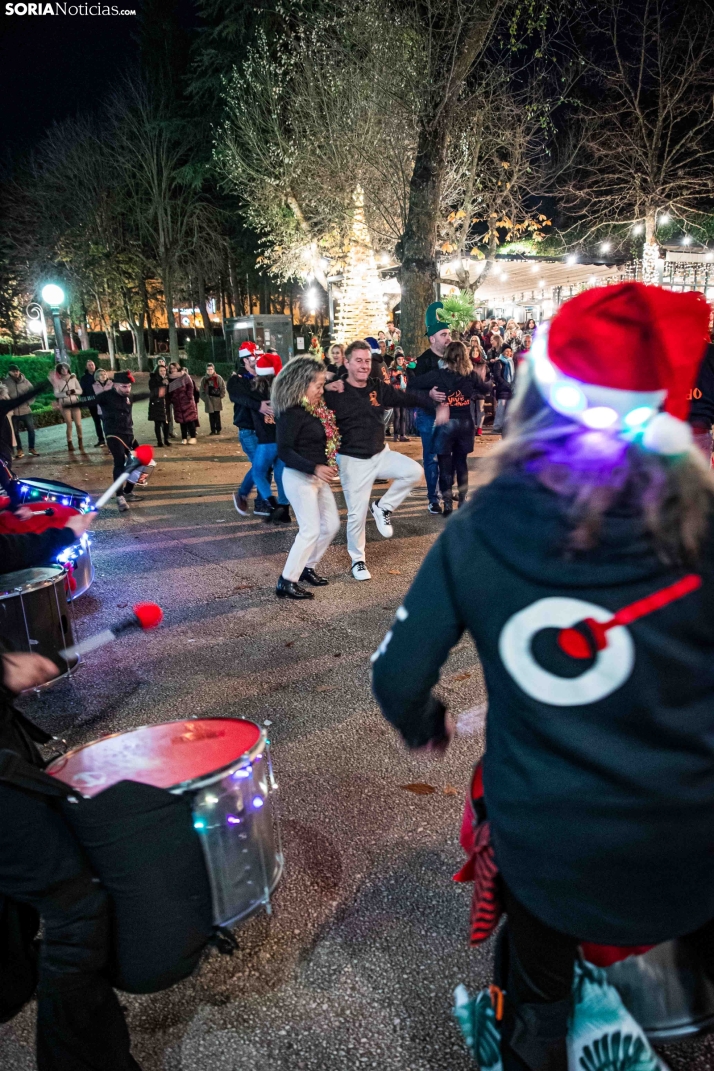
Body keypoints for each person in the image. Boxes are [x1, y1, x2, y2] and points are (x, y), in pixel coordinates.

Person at [372, 281, 714, 1071]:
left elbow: (395, 677)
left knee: (537, 1006)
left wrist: (430, 725)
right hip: (687, 847)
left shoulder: (484, 527)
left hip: (550, 848)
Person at [324, 339, 444, 581]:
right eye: (358, 360)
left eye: (367, 361)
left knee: (413, 472)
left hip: (380, 453)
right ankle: (357, 561)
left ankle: (382, 507)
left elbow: (405, 398)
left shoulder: (377, 387)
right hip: (352, 460)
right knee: (356, 515)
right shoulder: (334, 391)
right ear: (346, 363)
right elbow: (304, 396)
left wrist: (434, 402)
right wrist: (325, 385)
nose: (364, 365)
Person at [272, 358, 341, 599]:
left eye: (323, 385)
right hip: (298, 476)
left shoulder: (316, 407)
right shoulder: (291, 412)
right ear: (302, 385)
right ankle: (286, 581)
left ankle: (306, 567)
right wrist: (315, 467)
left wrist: (333, 386)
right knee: (310, 530)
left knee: (331, 525)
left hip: (316, 476)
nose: (322, 390)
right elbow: (284, 452)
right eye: (318, 386)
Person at [411, 340, 492, 513]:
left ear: (447, 356)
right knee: (461, 462)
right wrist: (484, 380)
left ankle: (447, 504)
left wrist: (430, 392)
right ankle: (462, 501)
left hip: (445, 423)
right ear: (465, 356)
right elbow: (486, 389)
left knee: (444, 463)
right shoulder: (471, 375)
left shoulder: (438, 375)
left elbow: (413, 383)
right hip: (465, 423)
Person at [72, 371, 147, 513]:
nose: (127, 389)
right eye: (124, 387)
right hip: (113, 434)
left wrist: (156, 393)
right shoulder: (106, 396)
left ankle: (127, 491)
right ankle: (120, 497)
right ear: (115, 385)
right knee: (119, 461)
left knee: (144, 460)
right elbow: (87, 400)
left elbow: (141, 395)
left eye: (129, 386)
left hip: (128, 434)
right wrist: (64, 406)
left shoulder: (128, 396)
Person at [413, 301, 452, 514]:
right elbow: (412, 391)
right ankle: (433, 498)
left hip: (450, 415)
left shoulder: (454, 358)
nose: (448, 338)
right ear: (432, 339)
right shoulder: (422, 362)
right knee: (431, 457)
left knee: (449, 456)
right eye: (444, 335)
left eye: (448, 334)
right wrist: (429, 395)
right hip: (428, 416)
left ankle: (447, 492)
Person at [227, 342, 274, 517]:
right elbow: (238, 397)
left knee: (266, 466)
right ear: (244, 359)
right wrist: (258, 405)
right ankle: (243, 494)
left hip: (265, 428)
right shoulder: (236, 380)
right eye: (254, 357)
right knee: (260, 465)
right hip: (248, 430)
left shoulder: (264, 376)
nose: (257, 360)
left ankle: (262, 503)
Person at [250, 354, 290, 523]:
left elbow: (240, 397)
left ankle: (273, 506)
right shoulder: (283, 388)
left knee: (258, 472)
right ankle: (285, 512)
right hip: (283, 438)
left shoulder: (255, 388)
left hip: (266, 439)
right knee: (281, 475)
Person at [3, 364, 38, 458]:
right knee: (15, 432)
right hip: (14, 412)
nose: (16, 372)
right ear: (9, 372)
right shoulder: (5, 382)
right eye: (14, 371)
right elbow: (3, 395)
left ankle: (32, 448)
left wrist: (28, 403)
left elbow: (32, 393)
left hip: (26, 410)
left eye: (17, 370)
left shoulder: (25, 381)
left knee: (31, 429)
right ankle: (19, 450)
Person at [49, 363, 84, 451]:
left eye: (65, 369)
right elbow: (56, 394)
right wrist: (65, 393)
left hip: (75, 403)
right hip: (64, 405)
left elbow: (80, 391)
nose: (64, 370)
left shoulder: (73, 379)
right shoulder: (57, 381)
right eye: (62, 369)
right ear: (59, 371)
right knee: (69, 424)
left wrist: (74, 391)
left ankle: (80, 441)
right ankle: (70, 442)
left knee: (78, 424)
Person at [167, 362, 198, 444]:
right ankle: (184, 438)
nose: (173, 370)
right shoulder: (169, 379)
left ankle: (193, 437)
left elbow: (190, 386)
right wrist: (172, 399)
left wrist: (189, 397)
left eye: (174, 368)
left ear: (177, 368)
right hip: (177, 403)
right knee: (182, 422)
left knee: (190, 420)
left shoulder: (184, 376)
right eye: (171, 368)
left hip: (187, 402)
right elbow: (169, 392)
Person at [79, 359, 105, 447]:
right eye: (89, 365)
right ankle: (101, 439)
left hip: (102, 402)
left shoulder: (100, 375)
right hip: (92, 403)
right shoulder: (84, 378)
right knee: (97, 422)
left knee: (105, 420)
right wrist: (84, 401)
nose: (91, 366)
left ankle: (110, 438)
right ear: (86, 367)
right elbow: (82, 391)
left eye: (92, 364)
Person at [488, 348, 514, 433]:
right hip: (502, 388)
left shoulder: (511, 362)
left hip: (510, 389)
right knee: (501, 408)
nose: (508, 353)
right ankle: (497, 426)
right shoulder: (499, 362)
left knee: (510, 408)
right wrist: (507, 384)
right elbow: (497, 376)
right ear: (502, 352)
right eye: (506, 351)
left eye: (510, 351)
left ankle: (507, 426)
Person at [200, 363, 226, 436]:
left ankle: (218, 429)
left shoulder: (218, 378)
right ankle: (213, 430)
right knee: (211, 416)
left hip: (216, 399)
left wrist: (221, 396)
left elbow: (223, 387)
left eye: (211, 369)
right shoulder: (204, 379)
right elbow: (201, 390)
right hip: (208, 400)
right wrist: (205, 398)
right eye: (208, 369)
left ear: (213, 369)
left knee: (217, 415)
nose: (209, 371)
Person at [390, 351, 411, 442]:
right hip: (395, 393)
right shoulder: (392, 370)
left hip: (404, 393)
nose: (400, 361)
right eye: (398, 359)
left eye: (402, 359)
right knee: (397, 415)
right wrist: (396, 378)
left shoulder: (405, 369)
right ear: (395, 360)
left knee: (403, 415)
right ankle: (395, 434)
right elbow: (389, 380)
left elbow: (408, 381)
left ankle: (402, 434)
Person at [148, 363, 170, 447]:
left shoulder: (167, 379)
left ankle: (166, 439)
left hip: (165, 403)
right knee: (157, 423)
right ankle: (159, 441)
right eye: (161, 370)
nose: (163, 372)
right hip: (156, 403)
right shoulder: (153, 380)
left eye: (164, 370)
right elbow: (154, 391)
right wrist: (162, 383)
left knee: (166, 423)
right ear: (157, 371)